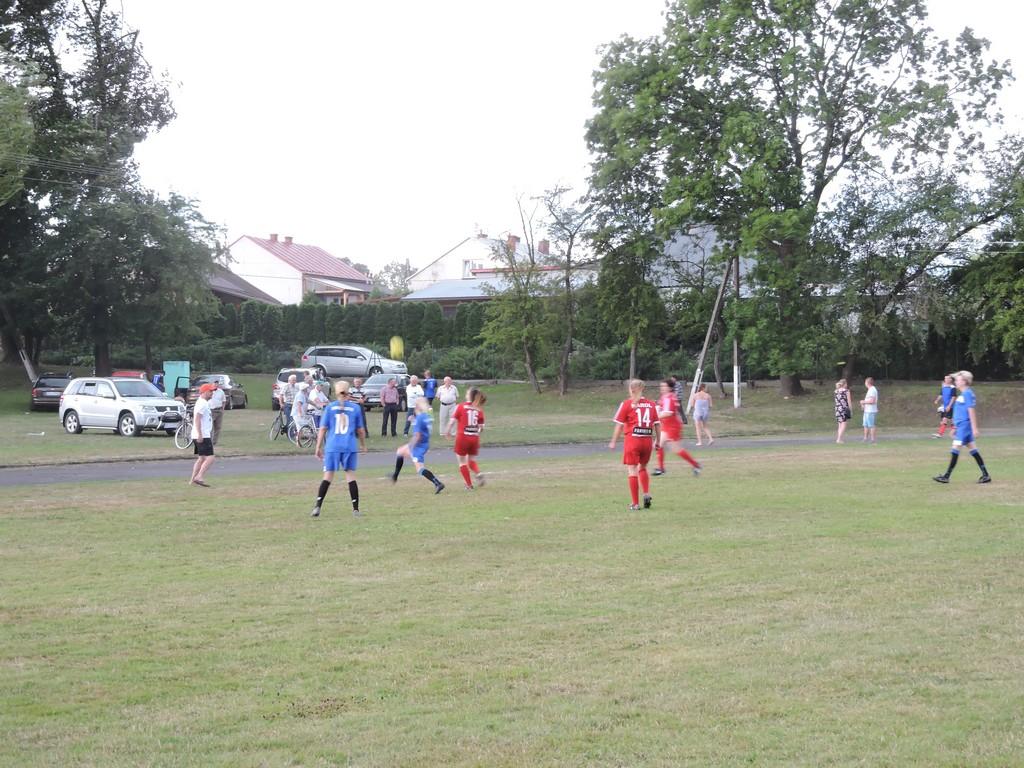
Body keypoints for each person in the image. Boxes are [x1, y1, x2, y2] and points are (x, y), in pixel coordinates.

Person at [312, 380, 368, 517]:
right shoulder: (355, 408)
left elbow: (323, 429)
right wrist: (363, 444)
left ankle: (317, 507)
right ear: (348, 391)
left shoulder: (330, 407)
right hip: (349, 446)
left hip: (333, 446)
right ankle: (355, 509)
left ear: (336, 392)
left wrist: (318, 447)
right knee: (350, 475)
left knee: (328, 476)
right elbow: (361, 430)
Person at [609, 379, 660, 510]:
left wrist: (613, 441)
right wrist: (658, 441)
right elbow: (657, 425)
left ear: (631, 390)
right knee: (642, 467)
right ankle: (646, 493)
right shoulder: (651, 404)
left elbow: (619, 425)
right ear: (642, 389)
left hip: (633, 440)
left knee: (632, 470)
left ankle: (635, 503)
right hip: (647, 441)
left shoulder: (627, 404)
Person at [934, 370, 991, 484]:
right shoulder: (964, 394)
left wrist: (974, 428)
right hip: (962, 426)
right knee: (973, 450)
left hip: (964, 427)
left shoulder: (968, 394)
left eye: (958, 379)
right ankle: (986, 475)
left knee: (955, 449)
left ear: (964, 381)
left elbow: (971, 411)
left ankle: (946, 476)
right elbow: (960, 412)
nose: (956, 381)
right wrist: (955, 428)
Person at [391, 397, 445, 494]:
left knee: (420, 469)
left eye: (416, 405)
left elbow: (418, 435)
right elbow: (424, 426)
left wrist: (412, 446)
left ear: (418, 407)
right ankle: (395, 476)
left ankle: (438, 483)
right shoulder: (425, 416)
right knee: (400, 451)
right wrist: (414, 420)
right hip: (424, 443)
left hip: (418, 446)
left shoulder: (420, 418)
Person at [653, 379, 701, 476]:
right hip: (667, 426)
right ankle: (661, 469)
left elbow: (668, 413)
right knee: (658, 445)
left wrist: (655, 416)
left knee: (675, 449)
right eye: (661, 386)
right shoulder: (665, 397)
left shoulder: (669, 398)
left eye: (664, 386)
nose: (662, 388)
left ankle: (696, 465)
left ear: (670, 388)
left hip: (672, 427)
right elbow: (660, 408)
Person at [449, 387, 487, 489]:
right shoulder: (479, 409)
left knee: (462, 462)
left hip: (463, 437)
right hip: (474, 438)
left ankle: (469, 485)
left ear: (470, 396)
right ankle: (478, 473)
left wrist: (447, 432)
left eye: (467, 393)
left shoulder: (461, 406)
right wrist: (475, 431)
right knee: (471, 460)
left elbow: (452, 421)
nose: (465, 394)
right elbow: (481, 428)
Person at [189, 383, 216, 487]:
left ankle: (192, 481)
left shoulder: (202, 402)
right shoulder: (202, 403)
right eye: (210, 391)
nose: (212, 393)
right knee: (210, 457)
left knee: (201, 458)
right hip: (202, 435)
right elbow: (197, 418)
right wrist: (200, 434)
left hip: (199, 434)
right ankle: (199, 477)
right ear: (204, 392)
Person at [932, 374, 956, 438]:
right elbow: (941, 394)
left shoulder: (952, 388)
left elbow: (953, 397)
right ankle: (953, 433)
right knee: (948, 420)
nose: (946, 379)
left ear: (950, 380)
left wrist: (949, 406)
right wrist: (937, 400)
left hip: (951, 407)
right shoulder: (944, 387)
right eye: (945, 378)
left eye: (947, 378)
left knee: (946, 419)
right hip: (945, 406)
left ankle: (941, 434)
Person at [834, 378, 853, 443]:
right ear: (845, 384)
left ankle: (839, 439)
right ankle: (839, 439)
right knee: (844, 424)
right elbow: (849, 401)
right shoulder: (846, 391)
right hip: (844, 409)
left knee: (840, 424)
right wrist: (851, 410)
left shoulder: (836, 391)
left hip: (837, 408)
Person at [860, 376, 879, 443]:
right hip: (867, 410)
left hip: (870, 411)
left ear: (867, 382)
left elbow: (872, 401)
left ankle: (873, 440)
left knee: (871, 425)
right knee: (865, 425)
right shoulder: (870, 390)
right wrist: (864, 405)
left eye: (865, 382)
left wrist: (863, 402)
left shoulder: (872, 390)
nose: (865, 383)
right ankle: (865, 438)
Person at [209, 379, 226, 445]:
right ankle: (209, 440)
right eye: (215, 383)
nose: (216, 385)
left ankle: (214, 442)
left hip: (219, 410)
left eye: (217, 383)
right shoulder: (209, 391)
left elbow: (224, 401)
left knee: (218, 427)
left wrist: (222, 409)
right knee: (210, 427)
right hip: (211, 410)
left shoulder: (221, 392)